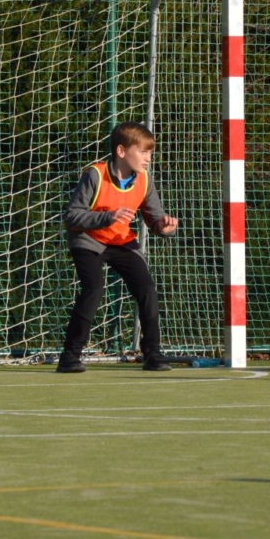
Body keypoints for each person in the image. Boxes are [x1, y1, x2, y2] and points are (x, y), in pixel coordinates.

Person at [58, 121, 179, 373]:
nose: (148, 158)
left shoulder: (144, 180)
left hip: (121, 241)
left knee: (147, 290)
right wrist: (108, 217)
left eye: (149, 152)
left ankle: (153, 354)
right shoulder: (95, 175)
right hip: (88, 240)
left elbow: (155, 217)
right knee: (94, 288)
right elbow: (71, 215)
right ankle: (70, 356)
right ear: (121, 151)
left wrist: (164, 227)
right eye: (142, 151)